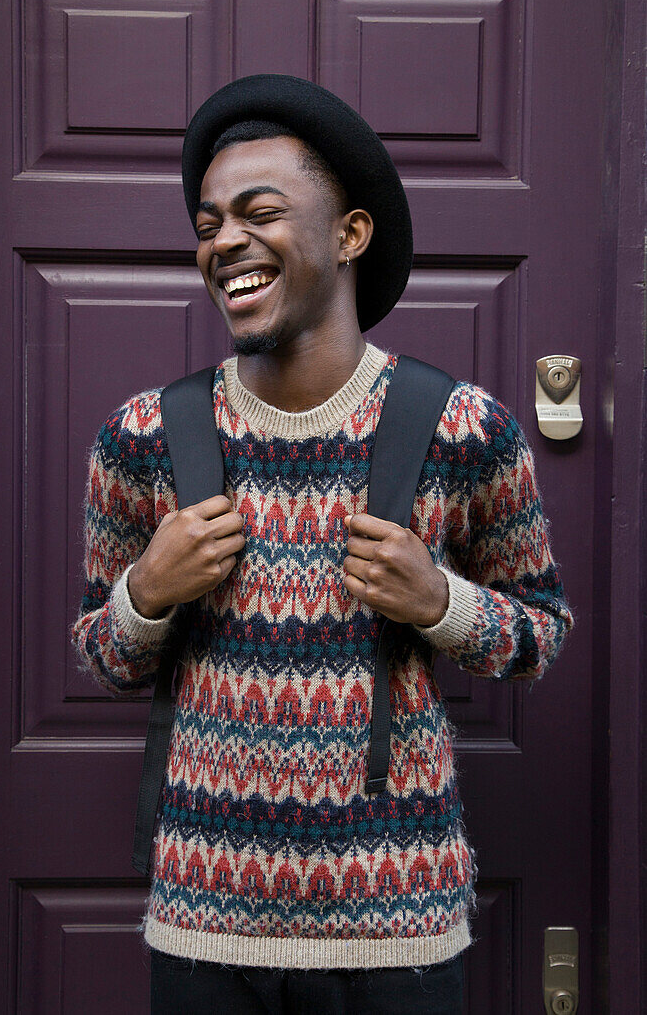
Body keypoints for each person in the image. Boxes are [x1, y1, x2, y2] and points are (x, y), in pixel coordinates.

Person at [72, 75, 574, 1015]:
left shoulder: (461, 429)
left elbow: (541, 635)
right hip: (202, 928)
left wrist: (443, 603)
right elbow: (99, 655)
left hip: (398, 933)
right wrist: (145, 592)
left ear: (349, 235)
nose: (224, 241)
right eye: (209, 222)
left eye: (260, 213)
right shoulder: (143, 435)